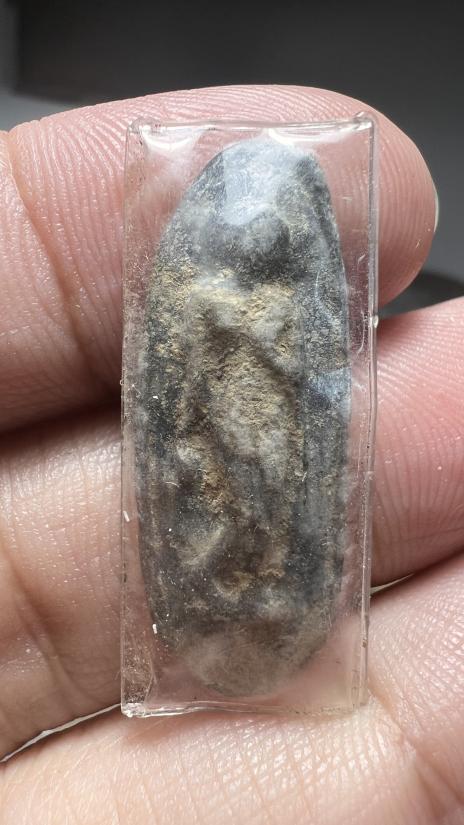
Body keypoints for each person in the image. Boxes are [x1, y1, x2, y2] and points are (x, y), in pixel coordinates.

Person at [0, 85, 462, 823]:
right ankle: (239, 565)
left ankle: (255, 569)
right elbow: (191, 366)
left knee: (268, 493)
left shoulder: (275, 299)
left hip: (265, 444)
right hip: (228, 438)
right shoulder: (209, 297)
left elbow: (289, 371)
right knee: (246, 493)